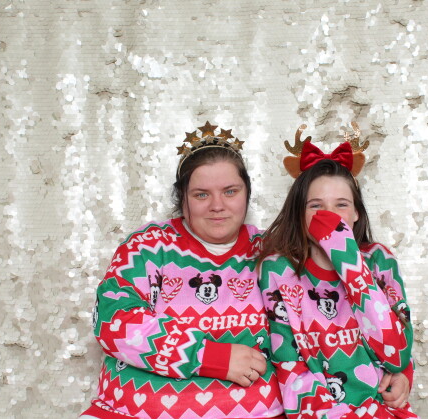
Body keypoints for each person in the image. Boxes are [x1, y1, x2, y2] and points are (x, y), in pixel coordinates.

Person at [80, 122, 284, 419]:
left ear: (247, 193)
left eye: (230, 191)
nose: (217, 205)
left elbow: (314, 324)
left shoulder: (270, 251)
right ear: (182, 197)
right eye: (201, 194)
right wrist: (208, 356)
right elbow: (114, 321)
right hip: (135, 411)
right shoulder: (148, 246)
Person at [258, 125, 418, 419]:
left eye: (341, 205)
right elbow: (289, 367)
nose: (328, 215)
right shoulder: (278, 271)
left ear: (356, 213)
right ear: (299, 213)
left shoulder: (379, 260)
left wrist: (349, 261)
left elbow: (396, 355)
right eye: (315, 205)